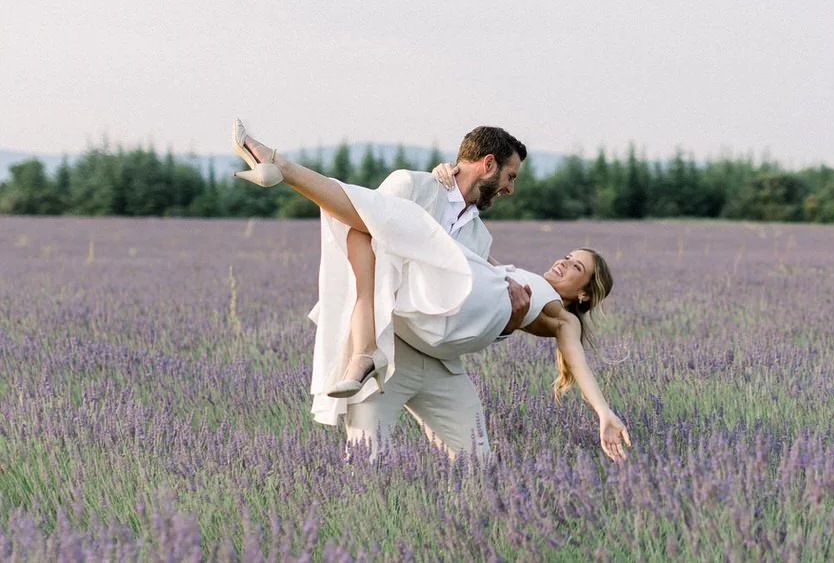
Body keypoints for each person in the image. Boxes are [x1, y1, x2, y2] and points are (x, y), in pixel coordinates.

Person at [232, 119, 631, 463]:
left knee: (477, 462)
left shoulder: (480, 236)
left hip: (441, 363)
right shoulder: (416, 186)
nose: (510, 188)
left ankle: (280, 168)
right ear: (488, 164)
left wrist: (508, 321)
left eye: (576, 266)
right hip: (392, 350)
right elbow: (362, 227)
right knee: (365, 463)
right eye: (510, 176)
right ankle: (279, 165)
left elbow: (477, 302)